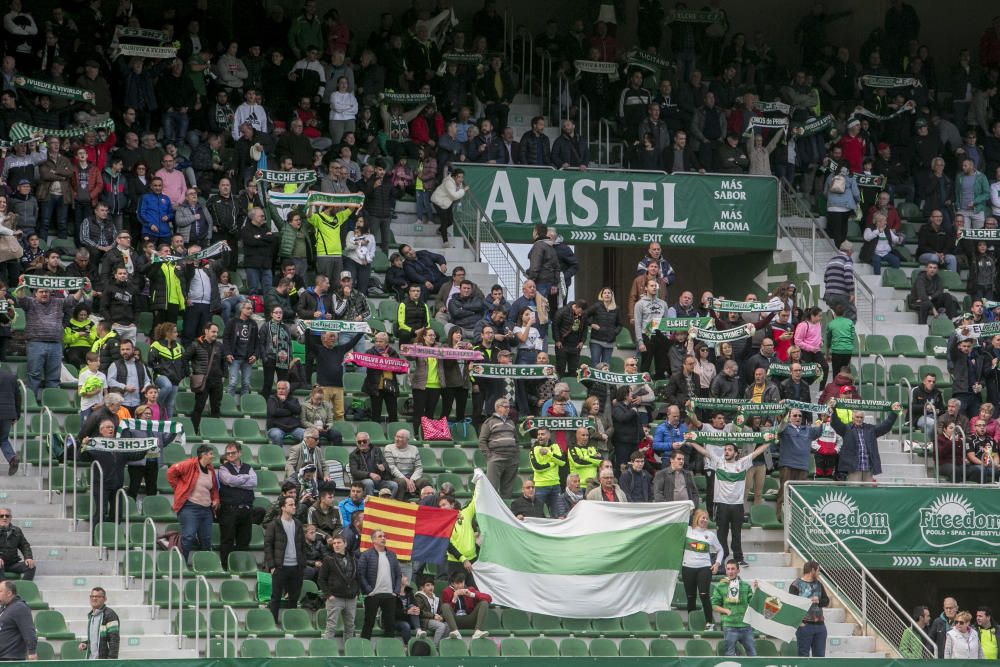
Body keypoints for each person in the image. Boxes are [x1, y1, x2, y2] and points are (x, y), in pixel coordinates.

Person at [686, 437, 772, 566]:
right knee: (722, 533)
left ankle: (738, 558)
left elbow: (756, 453)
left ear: (736, 453)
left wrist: (769, 441)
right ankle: (722, 557)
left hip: (737, 505)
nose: (726, 452)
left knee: (737, 533)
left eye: (729, 450)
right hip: (721, 504)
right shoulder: (718, 462)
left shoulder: (742, 463)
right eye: (725, 449)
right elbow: (704, 452)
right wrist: (692, 441)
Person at [166, 445, 220, 561]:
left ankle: (204, 566)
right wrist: (180, 488)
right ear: (203, 455)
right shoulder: (189, 464)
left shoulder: (210, 469)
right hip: (189, 507)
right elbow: (170, 472)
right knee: (188, 536)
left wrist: (216, 499)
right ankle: (181, 565)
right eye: (211, 453)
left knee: (206, 539)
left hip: (206, 509)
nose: (213, 456)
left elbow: (214, 488)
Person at [828, 398, 901, 481]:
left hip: (868, 467)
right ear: (852, 416)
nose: (859, 419)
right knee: (854, 492)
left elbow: (885, 426)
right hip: (853, 468)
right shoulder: (846, 429)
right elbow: (835, 423)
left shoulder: (870, 429)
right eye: (857, 417)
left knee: (868, 492)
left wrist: (894, 413)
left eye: (861, 417)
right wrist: (833, 409)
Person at [264, 495, 306, 623]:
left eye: (294, 504)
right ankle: (273, 622)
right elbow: (267, 546)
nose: (294, 507)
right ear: (283, 507)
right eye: (291, 505)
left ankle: (291, 622)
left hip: (296, 566)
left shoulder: (298, 524)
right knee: (276, 597)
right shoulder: (274, 525)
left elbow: (302, 545)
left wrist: (302, 563)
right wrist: (272, 566)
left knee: (294, 597)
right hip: (280, 567)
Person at [775, 409, 823, 517]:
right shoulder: (784, 427)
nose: (798, 418)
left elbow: (820, 430)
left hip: (802, 466)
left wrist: (826, 415)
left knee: (799, 494)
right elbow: (778, 429)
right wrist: (784, 415)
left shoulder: (808, 430)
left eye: (800, 416)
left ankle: (797, 517)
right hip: (787, 465)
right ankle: (778, 516)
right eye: (795, 415)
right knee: (784, 492)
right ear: (790, 417)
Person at [217, 442, 257, 569]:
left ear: (239, 453)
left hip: (246, 510)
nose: (230, 455)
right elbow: (228, 480)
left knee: (244, 540)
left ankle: (241, 567)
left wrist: (237, 479)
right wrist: (245, 478)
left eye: (233, 453)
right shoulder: (223, 468)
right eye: (228, 453)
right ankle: (225, 567)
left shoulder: (248, 467)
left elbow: (254, 482)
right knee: (227, 540)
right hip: (229, 510)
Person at [358, 529, 402, 639]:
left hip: (389, 595)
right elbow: (360, 574)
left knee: (390, 624)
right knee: (369, 623)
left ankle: (388, 650)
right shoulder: (366, 555)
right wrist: (369, 590)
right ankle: (365, 648)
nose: (383, 538)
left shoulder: (392, 555)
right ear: (373, 540)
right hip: (373, 594)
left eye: (384, 536)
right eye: (380, 536)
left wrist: (396, 591)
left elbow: (398, 575)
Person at [683, 508, 723, 628]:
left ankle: (710, 623)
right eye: (702, 517)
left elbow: (720, 550)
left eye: (706, 518)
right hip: (687, 567)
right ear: (696, 519)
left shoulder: (710, 535)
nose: (705, 520)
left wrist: (717, 563)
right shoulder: (687, 530)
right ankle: (691, 623)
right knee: (690, 597)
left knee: (704, 595)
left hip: (704, 568)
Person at [319, 532, 359, 650]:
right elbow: (321, 579)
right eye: (334, 543)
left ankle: (349, 651)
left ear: (345, 544)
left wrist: (357, 592)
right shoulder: (328, 559)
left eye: (339, 543)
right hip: (335, 598)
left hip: (351, 598)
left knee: (350, 626)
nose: (336, 545)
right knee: (331, 626)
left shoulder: (353, 558)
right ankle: (327, 651)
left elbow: (357, 577)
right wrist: (328, 594)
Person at [184, 322, 224, 434]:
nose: (215, 334)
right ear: (206, 331)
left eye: (216, 332)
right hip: (203, 380)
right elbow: (185, 358)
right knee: (199, 407)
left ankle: (215, 432)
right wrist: (189, 372)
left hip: (217, 380)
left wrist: (224, 375)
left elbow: (223, 361)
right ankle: (193, 430)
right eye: (213, 331)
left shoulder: (220, 345)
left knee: (216, 407)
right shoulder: (196, 344)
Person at [712, 560, 756, 656]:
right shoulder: (720, 586)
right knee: (730, 656)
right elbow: (714, 605)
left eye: (733, 569)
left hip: (746, 626)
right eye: (728, 569)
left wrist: (756, 591)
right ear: (726, 571)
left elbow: (752, 603)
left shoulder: (745, 586)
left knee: (753, 655)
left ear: (738, 571)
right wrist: (725, 611)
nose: (730, 571)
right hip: (729, 626)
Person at [478, 398, 519, 498]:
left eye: (509, 407)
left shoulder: (511, 422)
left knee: (507, 490)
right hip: (496, 460)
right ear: (497, 408)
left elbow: (516, 440)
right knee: (492, 489)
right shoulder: (489, 422)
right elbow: (482, 441)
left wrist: (515, 455)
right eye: (505, 407)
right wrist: (490, 456)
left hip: (511, 460)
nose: (508, 409)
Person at [789, 561, 830, 657]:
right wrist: (799, 623)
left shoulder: (819, 584)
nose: (819, 573)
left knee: (819, 658)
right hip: (805, 626)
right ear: (812, 570)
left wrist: (819, 600)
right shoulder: (796, 584)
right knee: (803, 657)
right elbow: (791, 606)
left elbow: (827, 601)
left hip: (820, 626)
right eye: (818, 570)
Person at [440, 570, 492, 640]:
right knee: (445, 606)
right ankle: (455, 632)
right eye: (457, 583)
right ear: (452, 583)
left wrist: (471, 594)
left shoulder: (470, 589)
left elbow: (489, 598)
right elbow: (446, 611)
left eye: (462, 583)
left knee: (484, 603)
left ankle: (477, 631)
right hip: (455, 620)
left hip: (469, 618)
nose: (460, 586)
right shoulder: (447, 591)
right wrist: (454, 598)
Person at [223, 300, 259, 397]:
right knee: (232, 383)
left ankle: (245, 405)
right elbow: (225, 339)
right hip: (234, 358)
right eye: (248, 308)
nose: (250, 310)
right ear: (241, 309)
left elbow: (257, 342)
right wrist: (228, 353)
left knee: (246, 384)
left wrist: (255, 355)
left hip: (248, 359)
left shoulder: (254, 324)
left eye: (251, 308)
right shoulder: (232, 322)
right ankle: (229, 405)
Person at [384, 429, 429, 500]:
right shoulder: (389, 448)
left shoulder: (414, 449)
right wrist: (406, 480)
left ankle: (424, 504)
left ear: (407, 440)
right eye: (396, 436)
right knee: (402, 482)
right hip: (395, 477)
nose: (398, 439)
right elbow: (392, 468)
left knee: (424, 481)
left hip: (411, 477)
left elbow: (419, 467)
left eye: (401, 437)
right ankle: (400, 504)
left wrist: (412, 480)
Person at [349, 432, 397, 497]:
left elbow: (385, 464)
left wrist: (383, 467)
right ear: (356, 443)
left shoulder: (377, 450)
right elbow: (354, 472)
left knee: (394, 485)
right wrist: (370, 474)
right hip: (361, 481)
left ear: (368, 441)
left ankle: (387, 504)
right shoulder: (353, 455)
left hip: (378, 479)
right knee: (369, 482)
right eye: (359, 442)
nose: (362, 443)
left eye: (364, 441)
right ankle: (371, 505)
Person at [0, 581, 36, 661]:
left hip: (10, 658)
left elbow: (29, 631)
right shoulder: (4, 608)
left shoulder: (20, 608)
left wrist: (32, 652)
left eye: (0, 591)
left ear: (9, 593)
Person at [79, 587, 120, 659]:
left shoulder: (110, 615)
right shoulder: (91, 615)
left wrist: (110, 662)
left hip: (102, 661)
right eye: (92, 596)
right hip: (91, 660)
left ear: (105, 599)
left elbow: (114, 641)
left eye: (98, 596)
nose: (94, 598)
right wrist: (86, 644)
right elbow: (96, 639)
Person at [823, 241, 856, 321]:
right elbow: (848, 276)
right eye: (852, 251)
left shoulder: (831, 260)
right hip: (841, 295)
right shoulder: (847, 259)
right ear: (849, 251)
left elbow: (825, 278)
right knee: (850, 314)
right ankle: (847, 333)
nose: (852, 253)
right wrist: (851, 293)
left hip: (828, 295)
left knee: (836, 316)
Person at [267, 381, 305, 445]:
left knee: (308, 435)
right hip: (276, 428)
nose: (280, 391)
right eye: (279, 389)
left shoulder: (293, 399)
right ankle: (278, 455)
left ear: (288, 390)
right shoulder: (272, 399)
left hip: (293, 428)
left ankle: (301, 454)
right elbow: (274, 412)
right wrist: (290, 412)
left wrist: (285, 402)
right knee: (277, 435)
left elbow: (298, 410)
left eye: (283, 389)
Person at [0, 509, 34, 581]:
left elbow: (25, 545)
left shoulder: (17, 530)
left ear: (10, 518)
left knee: (31, 566)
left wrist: (28, 558)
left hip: (13, 564)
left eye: (7, 516)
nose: (4, 518)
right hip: (0, 564)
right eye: (1, 516)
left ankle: (24, 587)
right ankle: (3, 588)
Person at [414, 576, 449, 645]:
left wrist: (441, 617)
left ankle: (441, 646)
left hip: (434, 620)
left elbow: (440, 611)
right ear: (422, 588)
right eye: (428, 585)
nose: (431, 587)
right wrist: (433, 616)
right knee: (441, 626)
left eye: (432, 585)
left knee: (448, 625)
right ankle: (435, 647)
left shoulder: (436, 598)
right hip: (424, 621)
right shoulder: (419, 597)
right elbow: (420, 612)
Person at [0, 366, 21, 476]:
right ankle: (12, 458)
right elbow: (18, 397)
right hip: (8, 413)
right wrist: (16, 415)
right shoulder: (11, 377)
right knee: (3, 439)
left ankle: (12, 458)